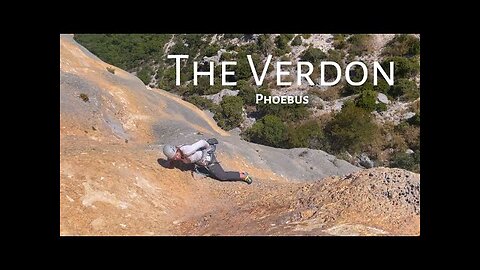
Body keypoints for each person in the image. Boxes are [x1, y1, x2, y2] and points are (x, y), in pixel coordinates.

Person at [162, 139, 253, 184]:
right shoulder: (174, 155)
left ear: (177, 150)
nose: (176, 158)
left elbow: (201, 142)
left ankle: (243, 175)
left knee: (222, 176)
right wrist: (169, 162)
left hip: (207, 159)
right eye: (174, 157)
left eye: (176, 155)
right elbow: (171, 157)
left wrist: (209, 148)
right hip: (198, 161)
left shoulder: (187, 150)